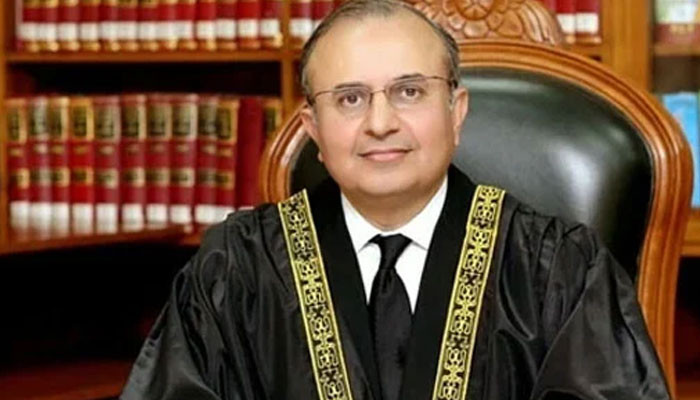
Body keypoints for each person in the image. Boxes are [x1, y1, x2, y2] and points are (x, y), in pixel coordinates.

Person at [120, 1, 671, 399]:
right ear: (312, 128)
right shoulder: (238, 269)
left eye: (409, 92)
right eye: (350, 99)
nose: (380, 123)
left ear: (456, 112)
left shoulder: (556, 269)